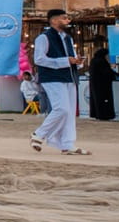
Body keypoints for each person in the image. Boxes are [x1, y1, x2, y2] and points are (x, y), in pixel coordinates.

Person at [30, 10, 86, 155]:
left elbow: (71, 58)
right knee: (61, 109)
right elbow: (39, 59)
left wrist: (77, 62)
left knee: (69, 112)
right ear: (54, 21)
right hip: (52, 77)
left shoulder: (67, 38)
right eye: (64, 18)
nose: (67, 21)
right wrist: (65, 61)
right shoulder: (43, 38)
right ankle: (39, 134)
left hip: (69, 76)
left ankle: (67, 144)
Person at [87, 46, 118, 121]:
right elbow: (106, 72)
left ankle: (97, 114)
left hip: (95, 84)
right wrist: (116, 74)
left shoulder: (93, 60)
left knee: (96, 100)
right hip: (103, 85)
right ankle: (104, 115)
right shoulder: (101, 61)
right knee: (104, 100)